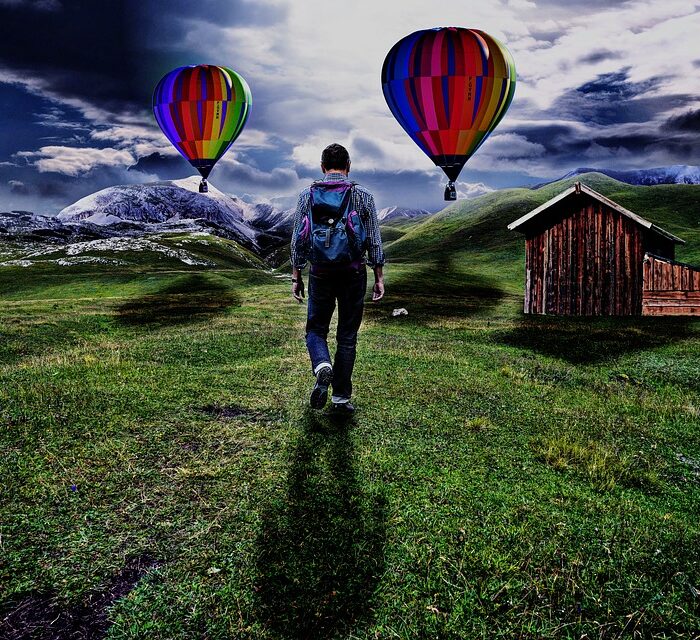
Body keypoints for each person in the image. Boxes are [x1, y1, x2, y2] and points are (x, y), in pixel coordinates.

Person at [290, 143, 385, 414]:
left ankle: (322, 365)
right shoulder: (363, 196)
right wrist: (378, 276)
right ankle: (340, 398)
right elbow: (375, 240)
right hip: (353, 272)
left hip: (319, 272)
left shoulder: (306, 196)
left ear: (322, 167)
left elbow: (298, 239)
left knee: (315, 329)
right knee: (347, 335)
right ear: (349, 166)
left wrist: (296, 275)